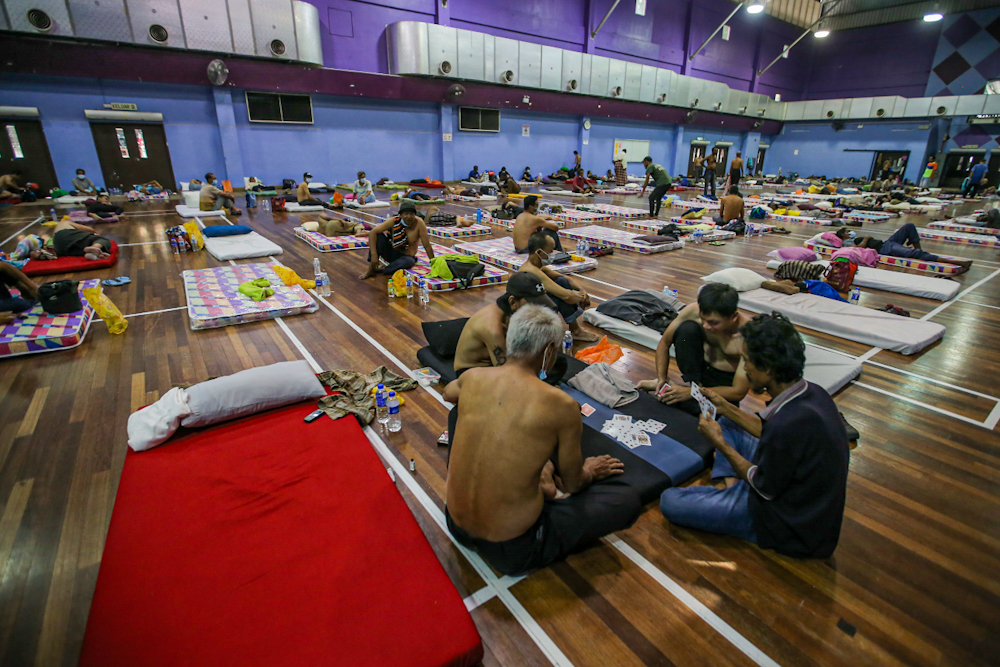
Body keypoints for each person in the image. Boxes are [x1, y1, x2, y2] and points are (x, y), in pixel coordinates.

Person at [443, 305, 640, 576]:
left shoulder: (472, 378)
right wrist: (591, 471)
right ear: (549, 351)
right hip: (514, 549)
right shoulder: (561, 405)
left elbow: (448, 393)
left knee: (458, 412)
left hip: (454, 525)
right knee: (626, 499)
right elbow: (573, 483)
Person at [660, 313, 849, 559]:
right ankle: (733, 488)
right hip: (794, 494)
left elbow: (765, 487)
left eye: (747, 361)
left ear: (767, 368)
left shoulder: (788, 425)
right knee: (727, 421)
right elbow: (767, 430)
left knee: (670, 500)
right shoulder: (812, 393)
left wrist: (719, 442)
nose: (745, 367)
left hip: (785, 525)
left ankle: (734, 496)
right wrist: (724, 405)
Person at [636, 283, 750, 417]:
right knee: (687, 329)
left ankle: (680, 390)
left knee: (715, 417)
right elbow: (664, 343)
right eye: (703, 319)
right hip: (699, 373)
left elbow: (738, 392)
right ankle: (675, 386)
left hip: (724, 385)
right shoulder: (693, 311)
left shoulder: (748, 336)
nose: (706, 326)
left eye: (714, 323)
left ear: (733, 317)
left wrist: (690, 393)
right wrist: (662, 377)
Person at [453, 273, 556, 375]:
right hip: (470, 373)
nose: (538, 310)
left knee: (556, 364)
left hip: (495, 365)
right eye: (532, 304)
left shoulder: (512, 315)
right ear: (513, 302)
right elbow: (505, 375)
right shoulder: (493, 329)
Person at [518, 232, 597, 341]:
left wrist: (581, 290)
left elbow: (567, 279)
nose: (553, 255)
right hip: (528, 321)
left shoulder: (538, 267)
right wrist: (582, 297)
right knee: (561, 294)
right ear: (539, 252)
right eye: (550, 252)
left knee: (561, 281)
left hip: (533, 310)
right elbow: (567, 296)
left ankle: (575, 330)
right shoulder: (531, 271)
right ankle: (574, 331)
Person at [359, 201, 434, 279]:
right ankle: (371, 269)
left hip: (406, 257)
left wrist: (434, 263)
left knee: (409, 262)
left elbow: (427, 245)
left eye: (412, 214)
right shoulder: (394, 221)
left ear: (415, 215)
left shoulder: (419, 223)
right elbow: (372, 233)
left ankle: (385, 269)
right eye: (406, 214)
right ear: (401, 215)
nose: (409, 216)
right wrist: (374, 255)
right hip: (391, 252)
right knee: (378, 235)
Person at [853, 223, 972, 271]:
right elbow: (858, 250)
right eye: (846, 232)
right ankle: (956, 262)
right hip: (885, 250)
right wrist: (866, 239)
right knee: (913, 253)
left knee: (909, 226)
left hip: (888, 242)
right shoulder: (850, 242)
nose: (849, 232)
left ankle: (918, 249)